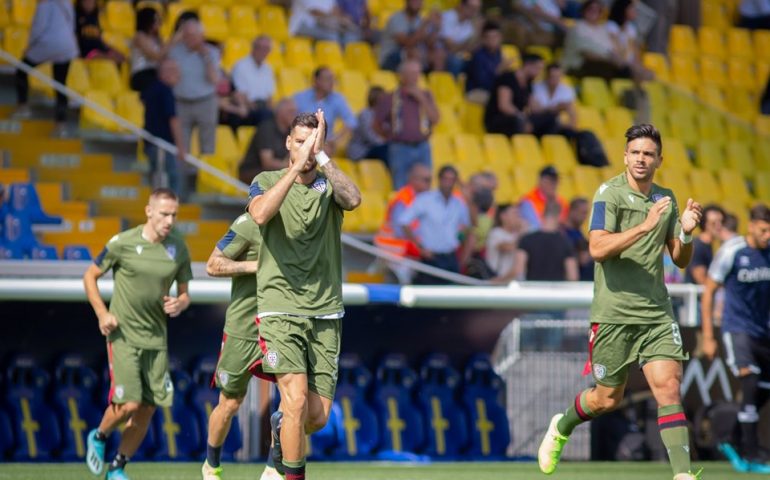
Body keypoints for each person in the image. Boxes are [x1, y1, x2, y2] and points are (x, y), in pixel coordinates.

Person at [538, 124, 704, 480]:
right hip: (613, 315)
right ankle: (562, 425)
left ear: (660, 159)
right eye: (636, 153)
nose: (642, 159)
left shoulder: (666, 197)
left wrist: (685, 232)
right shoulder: (608, 194)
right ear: (625, 156)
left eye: (649, 154)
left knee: (668, 387)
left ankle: (682, 474)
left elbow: (680, 258)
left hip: (657, 313)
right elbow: (597, 249)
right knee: (606, 399)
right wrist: (645, 226)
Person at [246, 110, 361, 480]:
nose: (305, 149)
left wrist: (322, 156)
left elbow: (354, 199)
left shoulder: (329, 186)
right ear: (287, 143)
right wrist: (295, 168)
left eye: (312, 142)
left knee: (316, 417)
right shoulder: (265, 180)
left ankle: (282, 433)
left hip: (326, 312)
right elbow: (261, 215)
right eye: (299, 142)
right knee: (294, 402)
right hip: (280, 309)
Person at [83, 188, 192, 480]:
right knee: (128, 403)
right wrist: (102, 314)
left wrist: (179, 303)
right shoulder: (123, 243)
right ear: (149, 211)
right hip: (123, 336)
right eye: (164, 214)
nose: (169, 220)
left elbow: (185, 294)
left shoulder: (178, 248)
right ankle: (100, 435)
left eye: (174, 215)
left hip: (156, 340)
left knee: (146, 409)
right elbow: (90, 275)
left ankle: (117, 467)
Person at [700, 204, 770, 474]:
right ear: (751, 225)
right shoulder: (732, 251)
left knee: (763, 389)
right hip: (736, 329)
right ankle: (751, 454)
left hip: (763, 332)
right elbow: (708, 291)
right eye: (763, 230)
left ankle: (732, 438)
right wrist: (708, 336)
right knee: (749, 380)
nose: (767, 236)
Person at [199, 213, 267, 479]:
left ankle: (275, 468)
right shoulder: (248, 224)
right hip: (243, 330)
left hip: (282, 328)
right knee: (229, 403)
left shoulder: (299, 224)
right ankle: (211, 465)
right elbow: (213, 265)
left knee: (292, 398)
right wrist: (255, 266)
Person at [397, 165, 473, 284]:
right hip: (431, 257)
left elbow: (470, 225)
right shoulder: (425, 199)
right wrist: (420, 247)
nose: (448, 183)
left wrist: (468, 198)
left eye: (452, 180)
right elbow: (404, 221)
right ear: (439, 180)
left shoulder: (458, 203)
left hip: (450, 256)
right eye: (445, 179)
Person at [14, 0, 78, 134]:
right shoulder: (67, 2)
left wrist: (29, 46)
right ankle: (61, 124)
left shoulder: (44, 4)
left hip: (47, 43)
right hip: (67, 45)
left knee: (21, 71)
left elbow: (38, 28)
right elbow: (72, 24)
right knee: (60, 84)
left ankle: (23, 107)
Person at [373, 59, 440, 189]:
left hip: (422, 146)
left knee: (425, 185)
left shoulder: (426, 95)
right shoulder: (390, 97)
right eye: (411, 73)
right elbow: (376, 124)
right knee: (401, 186)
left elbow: (435, 119)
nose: (415, 77)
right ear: (402, 76)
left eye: (417, 73)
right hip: (400, 147)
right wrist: (390, 136)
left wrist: (421, 98)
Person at [168, 18, 220, 159]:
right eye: (186, 35)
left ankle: (206, 178)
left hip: (205, 101)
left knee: (208, 145)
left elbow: (214, 79)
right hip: (181, 101)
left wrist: (206, 56)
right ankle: (183, 178)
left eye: (193, 35)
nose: (189, 39)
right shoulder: (175, 51)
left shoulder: (212, 52)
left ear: (201, 36)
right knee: (182, 147)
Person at [373, 163, 432, 284]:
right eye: (426, 180)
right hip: (394, 250)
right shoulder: (403, 199)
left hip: (407, 250)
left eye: (430, 180)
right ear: (413, 179)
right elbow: (400, 229)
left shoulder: (423, 199)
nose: (429, 184)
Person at [484, 53, 561, 137]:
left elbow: (534, 107)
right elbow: (504, 106)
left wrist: (552, 109)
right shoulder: (507, 78)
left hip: (518, 118)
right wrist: (522, 118)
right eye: (538, 68)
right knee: (518, 122)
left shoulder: (528, 84)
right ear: (528, 65)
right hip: (499, 120)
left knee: (551, 119)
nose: (539, 73)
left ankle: (540, 147)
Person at [141, 59, 186, 195]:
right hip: (163, 143)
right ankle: (171, 208)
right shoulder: (166, 91)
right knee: (173, 177)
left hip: (150, 142)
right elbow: (173, 119)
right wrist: (180, 146)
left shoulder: (151, 89)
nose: (178, 75)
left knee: (156, 175)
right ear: (165, 73)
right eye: (175, 72)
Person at [293, 66, 357, 155]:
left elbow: (351, 122)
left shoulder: (337, 99)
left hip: (324, 144)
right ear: (316, 80)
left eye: (333, 79)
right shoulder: (300, 98)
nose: (331, 83)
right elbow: (289, 118)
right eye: (327, 79)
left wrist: (335, 140)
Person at [514, 201, 578, 281]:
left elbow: (519, 271)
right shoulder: (566, 242)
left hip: (532, 289)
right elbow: (572, 276)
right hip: (557, 290)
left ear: (542, 215)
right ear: (559, 217)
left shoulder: (526, 239)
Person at [238, 98, 298, 184]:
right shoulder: (266, 129)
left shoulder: (290, 131)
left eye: (295, 112)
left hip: (274, 173)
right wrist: (290, 166)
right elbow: (267, 163)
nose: (294, 115)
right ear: (280, 113)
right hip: (253, 172)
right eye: (290, 112)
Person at [231, 36, 276, 126]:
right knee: (267, 116)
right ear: (254, 48)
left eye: (267, 49)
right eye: (261, 48)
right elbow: (240, 94)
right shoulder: (241, 66)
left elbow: (269, 97)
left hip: (263, 107)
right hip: (248, 107)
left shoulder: (268, 69)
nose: (263, 52)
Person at [464, 20, 512, 104]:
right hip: (476, 92)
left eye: (496, 37)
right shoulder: (478, 56)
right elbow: (482, 84)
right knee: (500, 100)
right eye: (489, 37)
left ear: (500, 38)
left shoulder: (499, 54)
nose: (493, 40)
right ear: (483, 39)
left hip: (492, 91)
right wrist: (498, 71)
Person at [130, 7, 175, 93]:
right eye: (156, 20)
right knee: (162, 87)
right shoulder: (139, 36)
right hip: (141, 75)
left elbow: (164, 56)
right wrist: (173, 40)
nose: (159, 23)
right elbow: (156, 56)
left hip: (156, 73)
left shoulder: (157, 39)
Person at [683, 204, 724, 285]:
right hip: (694, 296)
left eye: (721, 222)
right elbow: (702, 280)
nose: (719, 226)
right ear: (705, 224)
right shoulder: (698, 247)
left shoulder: (708, 246)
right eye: (714, 223)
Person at [519, 165, 569, 230]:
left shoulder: (562, 202)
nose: (554, 184)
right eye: (551, 180)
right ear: (540, 180)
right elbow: (534, 228)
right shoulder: (529, 200)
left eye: (556, 180)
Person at [347, 86, 388, 162]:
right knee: (386, 149)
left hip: (376, 149)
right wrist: (386, 143)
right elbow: (370, 137)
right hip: (361, 152)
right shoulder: (365, 114)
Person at [531, 63, 577, 130]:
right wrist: (557, 107)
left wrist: (571, 125)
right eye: (552, 76)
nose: (555, 80)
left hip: (555, 124)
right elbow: (535, 110)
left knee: (585, 133)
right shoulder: (535, 87)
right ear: (546, 76)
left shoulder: (567, 90)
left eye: (558, 77)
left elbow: (571, 111)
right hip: (538, 123)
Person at [486, 203, 525, 280]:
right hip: (499, 281)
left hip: (516, 282)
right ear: (503, 216)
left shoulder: (517, 234)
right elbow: (506, 247)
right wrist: (522, 233)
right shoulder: (496, 233)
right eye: (515, 213)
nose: (518, 217)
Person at [561, 196, 594, 281]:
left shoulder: (579, 233)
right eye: (583, 213)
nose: (585, 217)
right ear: (572, 211)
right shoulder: (562, 233)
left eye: (586, 213)